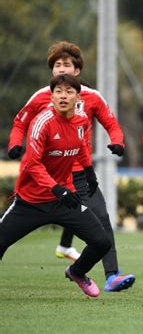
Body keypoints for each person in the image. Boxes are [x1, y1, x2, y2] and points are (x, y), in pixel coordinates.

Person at [7, 41, 135, 292]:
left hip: (77, 176)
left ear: (77, 72)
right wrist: (14, 143)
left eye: (67, 65)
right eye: (57, 65)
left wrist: (116, 143)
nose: (61, 69)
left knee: (102, 222)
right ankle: (66, 247)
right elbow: (20, 123)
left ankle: (110, 276)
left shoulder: (89, 101)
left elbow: (110, 125)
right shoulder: (42, 102)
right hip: (43, 182)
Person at [0, 74, 112, 297]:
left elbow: (80, 146)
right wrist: (57, 188)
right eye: (58, 92)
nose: (63, 96)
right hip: (31, 202)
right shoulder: (42, 123)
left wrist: (89, 171)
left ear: (78, 97)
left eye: (69, 92)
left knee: (102, 242)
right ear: (51, 96)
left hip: (63, 200)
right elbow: (32, 164)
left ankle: (77, 272)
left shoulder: (81, 120)